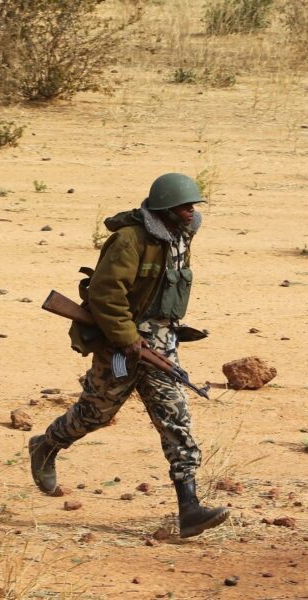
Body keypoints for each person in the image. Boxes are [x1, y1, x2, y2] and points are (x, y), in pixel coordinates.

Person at [29, 173, 229, 539]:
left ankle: (190, 508)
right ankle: (46, 445)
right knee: (95, 413)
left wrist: (159, 337)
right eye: (184, 207)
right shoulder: (129, 241)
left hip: (161, 344)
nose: (191, 212)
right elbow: (106, 296)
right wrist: (126, 339)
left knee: (175, 417)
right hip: (121, 342)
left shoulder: (182, 236)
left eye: (193, 206)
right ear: (166, 210)